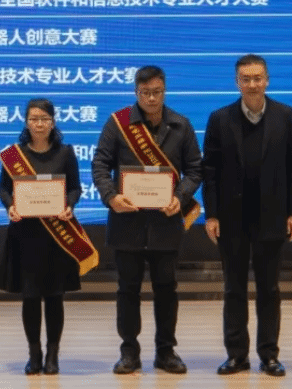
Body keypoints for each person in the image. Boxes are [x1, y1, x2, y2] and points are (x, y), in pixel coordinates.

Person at [92, 65, 203, 375]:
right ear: (136, 92)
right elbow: (100, 164)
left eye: (156, 92)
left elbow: (195, 169)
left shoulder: (181, 124)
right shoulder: (118, 123)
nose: (151, 99)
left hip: (166, 222)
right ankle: (129, 352)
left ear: (164, 91)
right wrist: (111, 196)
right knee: (127, 290)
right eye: (145, 93)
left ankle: (166, 351)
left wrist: (180, 197)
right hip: (127, 223)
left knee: (166, 289)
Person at [203, 54, 292, 378]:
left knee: (269, 290)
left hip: (272, 218)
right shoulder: (220, 118)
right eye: (245, 79)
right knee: (233, 289)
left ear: (267, 80)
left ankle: (269, 355)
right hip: (231, 220)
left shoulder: (285, 115)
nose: (252, 84)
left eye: (257, 78)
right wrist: (211, 215)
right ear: (237, 82)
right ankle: (236, 356)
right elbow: (210, 172)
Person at [0, 98, 98, 375]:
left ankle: (53, 354)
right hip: (25, 235)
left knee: (54, 297)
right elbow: (3, 189)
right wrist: (10, 206)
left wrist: (69, 205)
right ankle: (34, 354)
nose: (39, 124)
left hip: (57, 236)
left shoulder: (65, 152)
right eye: (34, 119)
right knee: (30, 297)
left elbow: (75, 188)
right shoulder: (14, 155)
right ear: (26, 122)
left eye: (44, 119)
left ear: (53, 122)